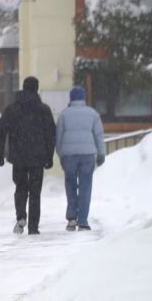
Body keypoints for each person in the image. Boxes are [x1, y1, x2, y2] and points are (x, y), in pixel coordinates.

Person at [0, 76, 56, 235]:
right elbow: (50, 134)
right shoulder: (43, 110)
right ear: (36, 89)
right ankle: (33, 227)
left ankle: (21, 216)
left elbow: (1, 131)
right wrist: (49, 156)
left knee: (21, 187)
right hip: (38, 157)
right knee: (35, 192)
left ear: (23, 87)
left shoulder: (12, 109)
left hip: (18, 156)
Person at [56, 86, 106, 231]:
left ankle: (71, 218)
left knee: (70, 185)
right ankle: (83, 220)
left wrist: (61, 153)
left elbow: (58, 137)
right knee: (85, 186)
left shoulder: (64, 115)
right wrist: (101, 154)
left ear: (71, 99)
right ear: (83, 98)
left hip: (69, 155)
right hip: (87, 155)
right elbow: (98, 136)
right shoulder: (93, 114)